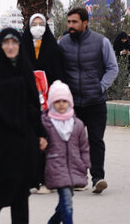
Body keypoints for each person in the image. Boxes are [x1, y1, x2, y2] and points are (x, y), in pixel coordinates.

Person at [0, 28, 47, 224]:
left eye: (14, 42)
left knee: (21, 190)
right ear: (0, 45)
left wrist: (40, 133)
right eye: (6, 42)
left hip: (22, 138)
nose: (10, 46)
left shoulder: (24, 68)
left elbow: (34, 103)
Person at [58, 7, 118, 194]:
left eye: (74, 22)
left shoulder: (101, 42)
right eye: (69, 22)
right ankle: (77, 177)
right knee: (73, 141)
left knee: (95, 141)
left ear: (85, 23)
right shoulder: (63, 43)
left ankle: (98, 178)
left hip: (95, 102)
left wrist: (100, 87)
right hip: (72, 103)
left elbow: (112, 68)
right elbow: (58, 69)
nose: (71, 25)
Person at [20, 13, 65, 195]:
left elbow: (59, 73)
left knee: (49, 141)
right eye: (34, 24)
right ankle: (31, 179)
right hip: (28, 103)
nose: (38, 26)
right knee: (30, 141)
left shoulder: (53, 48)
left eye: (41, 23)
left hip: (50, 103)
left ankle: (48, 180)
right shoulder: (23, 47)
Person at [42, 81, 90, 224]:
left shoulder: (77, 124)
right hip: (56, 168)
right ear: (51, 103)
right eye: (57, 101)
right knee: (67, 203)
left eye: (64, 101)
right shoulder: (46, 123)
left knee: (64, 203)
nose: (61, 104)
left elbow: (84, 147)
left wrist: (85, 164)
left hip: (74, 167)